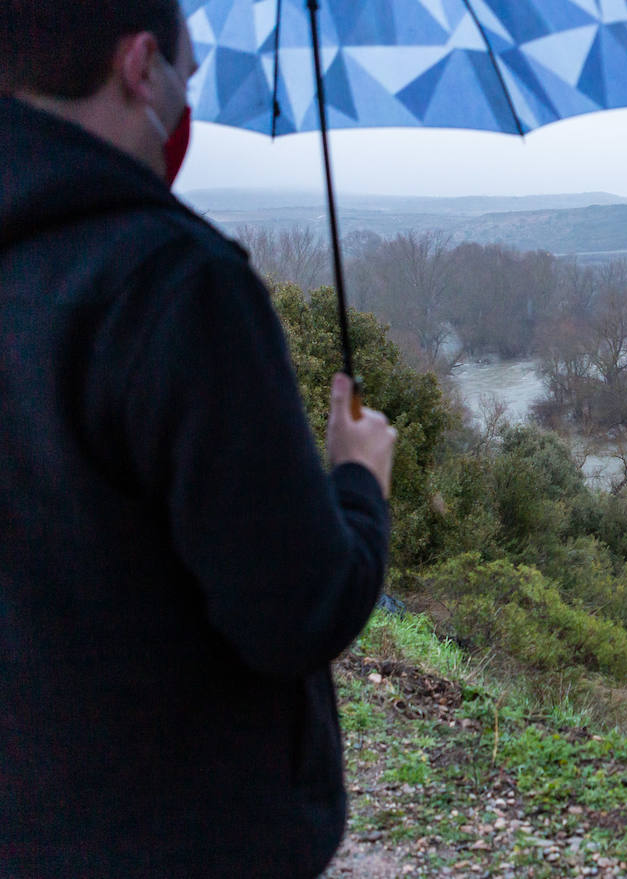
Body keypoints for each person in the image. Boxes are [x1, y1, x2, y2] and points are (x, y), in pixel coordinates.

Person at [0, 2, 398, 876]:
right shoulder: (175, 285)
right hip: (180, 835)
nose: (187, 108)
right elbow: (300, 609)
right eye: (187, 74)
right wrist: (358, 480)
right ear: (141, 67)